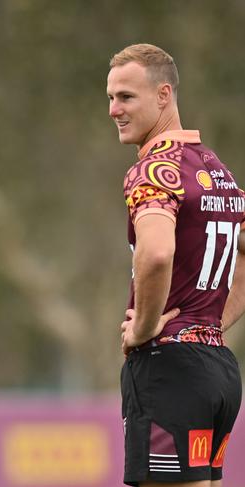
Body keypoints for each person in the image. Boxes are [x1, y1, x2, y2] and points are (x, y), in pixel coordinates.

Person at [107, 43, 244, 487]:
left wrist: (146, 327)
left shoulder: (154, 168)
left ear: (164, 95)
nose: (113, 109)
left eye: (126, 97)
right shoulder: (215, 168)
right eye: (110, 98)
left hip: (169, 369)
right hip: (217, 369)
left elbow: (156, 251)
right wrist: (208, 326)